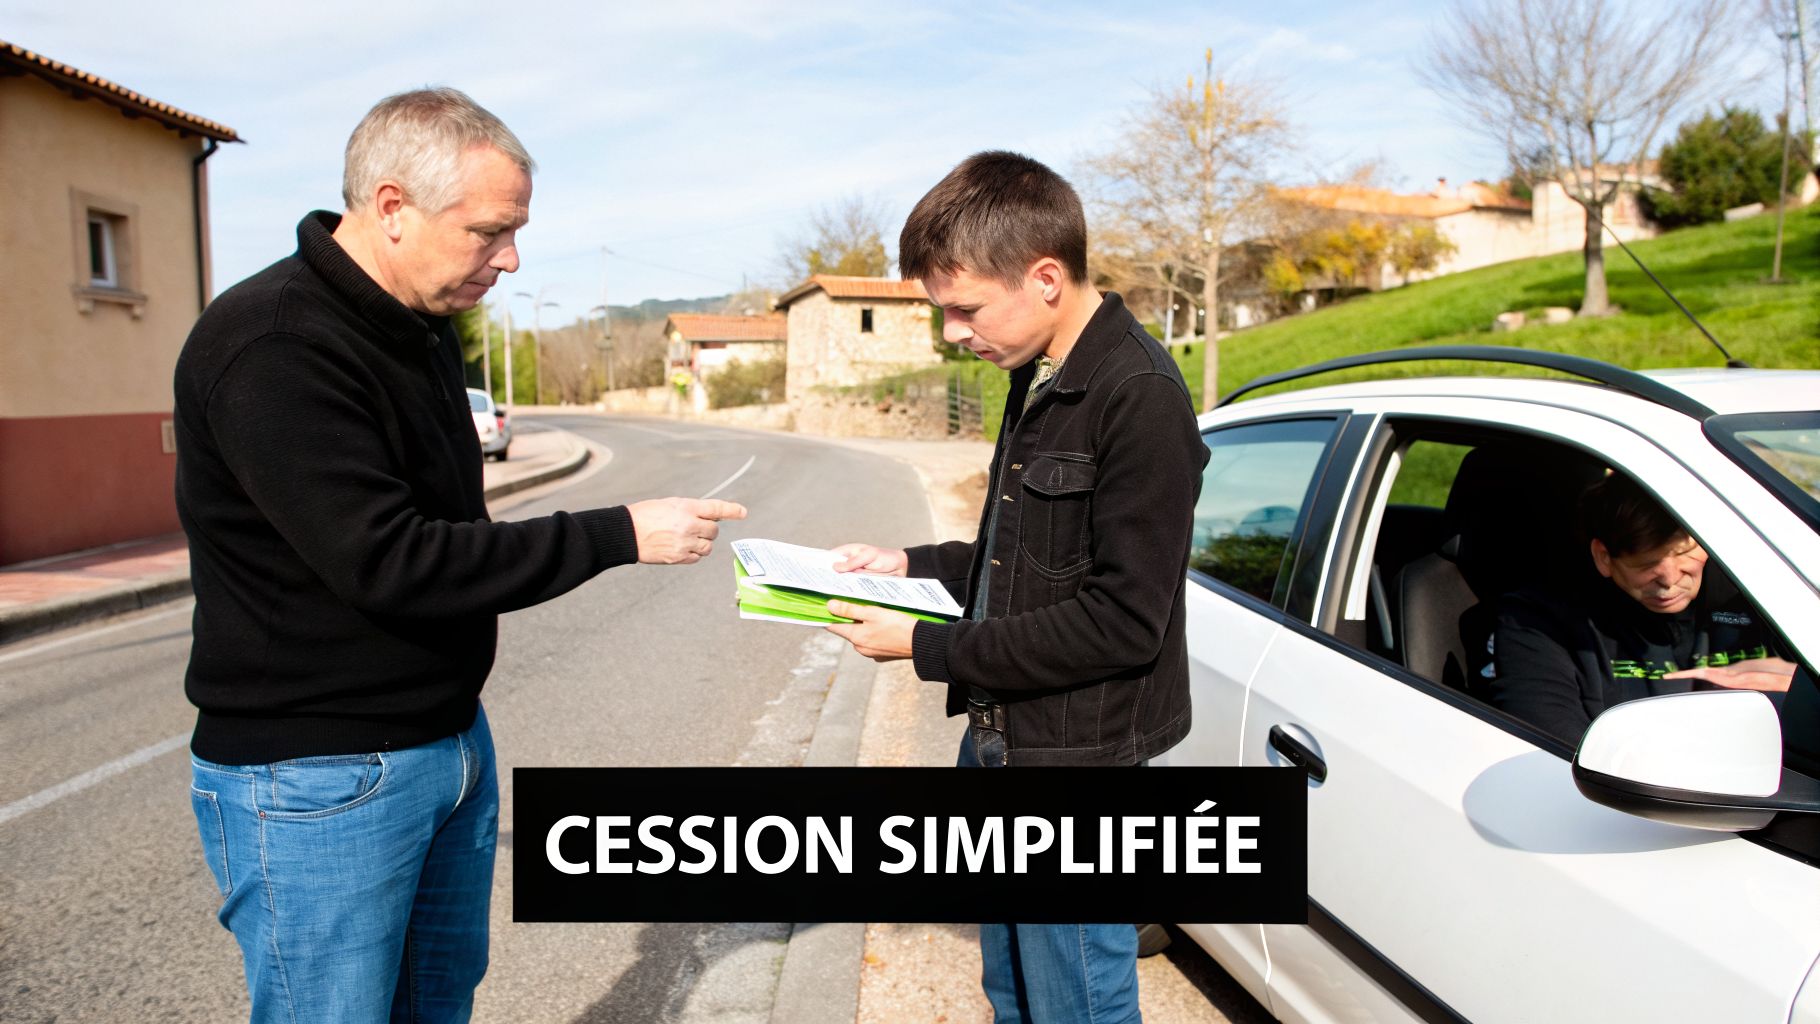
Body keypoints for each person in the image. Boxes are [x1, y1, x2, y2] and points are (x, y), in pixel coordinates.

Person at [173, 88, 743, 1022]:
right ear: (392, 207)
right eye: (488, 231)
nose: (509, 259)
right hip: (319, 773)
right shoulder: (275, 343)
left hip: (445, 744)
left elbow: (452, 525)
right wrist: (618, 533)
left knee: (437, 1005)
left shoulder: (415, 325)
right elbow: (391, 561)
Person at [824, 151, 1207, 1024]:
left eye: (963, 308)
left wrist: (926, 646)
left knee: (1079, 999)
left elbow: (1122, 623)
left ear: (1044, 277)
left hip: (1075, 760)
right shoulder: (1034, 370)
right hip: (1000, 737)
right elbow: (1020, 558)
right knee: (1012, 992)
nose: (954, 331)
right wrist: (909, 565)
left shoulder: (1138, 395)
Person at [1487, 470, 1793, 747]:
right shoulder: (1541, 621)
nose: (1670, 580)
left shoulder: (1765, 592)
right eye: (1647, 565)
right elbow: (1555, 751)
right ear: (1603, 557)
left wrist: (1802, 692)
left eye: (1685, 553)